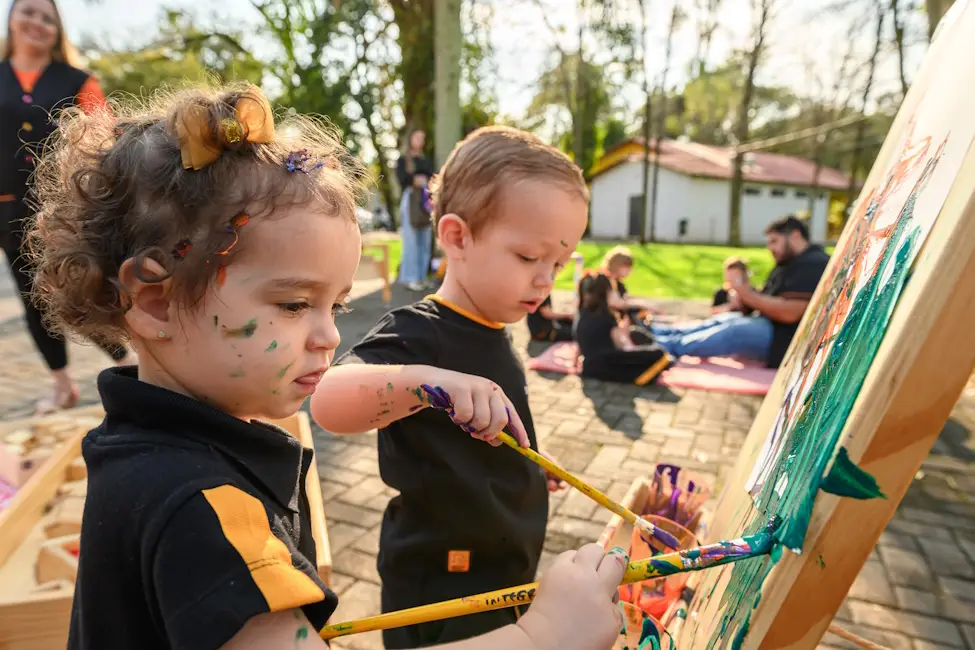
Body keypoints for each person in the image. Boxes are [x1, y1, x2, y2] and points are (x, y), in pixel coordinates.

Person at [26, 84, 629, 650]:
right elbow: (338, 399)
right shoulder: (202, 509)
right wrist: (542, 636)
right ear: (157, 301)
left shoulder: (151, 450)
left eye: (335, 305)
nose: (330, 335)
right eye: (294, 304)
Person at [311, 126, 590, 649]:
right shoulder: (422, 332)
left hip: (503, 573)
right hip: (442, 586)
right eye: (530, 258)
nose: (545, 279)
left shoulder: (495, 327)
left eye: (559, 263)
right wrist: (425, 383)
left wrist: (524, 463)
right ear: (458, 237)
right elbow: (329, 400)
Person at [0, 0, 135, 414]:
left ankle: (130, 364)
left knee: (78, 285)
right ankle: (62, 386)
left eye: (47, 17)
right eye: (29, 12)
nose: (37, 23)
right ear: (11, 18)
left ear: (58, 30)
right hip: (5, 206)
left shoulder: (78, 80)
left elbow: (103, 138)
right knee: (32, 297)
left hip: (58, 205)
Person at [652, 216, 830, 368]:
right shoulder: (790, 262)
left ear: (795, 235)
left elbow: (790, 313)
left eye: (774, 241)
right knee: (724, 320)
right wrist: (743, 300)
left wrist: (746, 294)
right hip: (770, 326)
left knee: (734, 330)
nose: (770, 248)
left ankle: (662, 347)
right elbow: (768, 298)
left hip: (786, 340)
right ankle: (658, 333)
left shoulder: (814, 263)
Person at [575, 273, 671, 385]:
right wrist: (627, 337)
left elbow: (579, 344)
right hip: (607, 366)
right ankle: (642, 376)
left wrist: (574, 363)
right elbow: (623, 346)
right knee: (660, 353)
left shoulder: (582, 314)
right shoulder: (608, 317)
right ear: (605, 294)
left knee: (635, 337)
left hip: (588, 368)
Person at [396, 127, 436, 291]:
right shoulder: (403, 160)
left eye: (422, 138)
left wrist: (423, 180)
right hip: (411, 200)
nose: (420, 141)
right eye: (417, 137)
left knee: (425, 241)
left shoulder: (425, 160)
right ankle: (410, 277)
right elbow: (403, 179)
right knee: (411, 240)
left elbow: (432, 177)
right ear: (411, 139)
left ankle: (421, 277)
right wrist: (416, 180)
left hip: (426, 200)